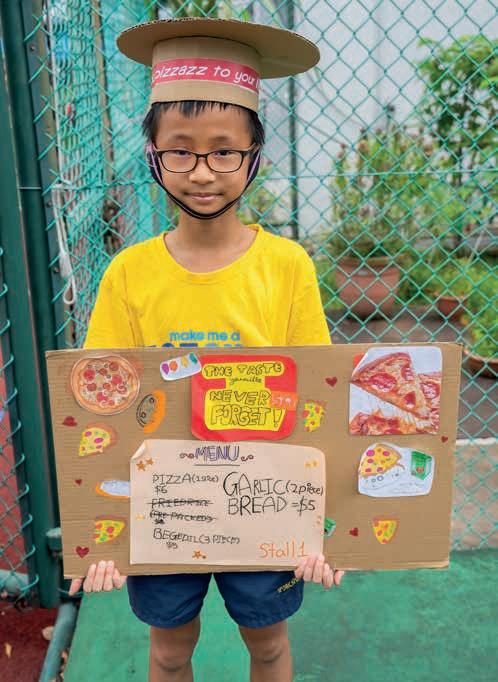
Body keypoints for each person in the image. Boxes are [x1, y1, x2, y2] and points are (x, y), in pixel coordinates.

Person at [68, 16, 345, 682]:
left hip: (265, 500)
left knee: (268, 645)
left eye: (224, 151)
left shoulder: (287, 267)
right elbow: (99, 404)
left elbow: (322, 394)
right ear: (152, 154)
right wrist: (100, 528)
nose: (201, 172)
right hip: (162, 506)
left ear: (254, 154)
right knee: (169, 650)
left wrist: (330, 522)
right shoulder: (128, 274)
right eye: (180, 151)